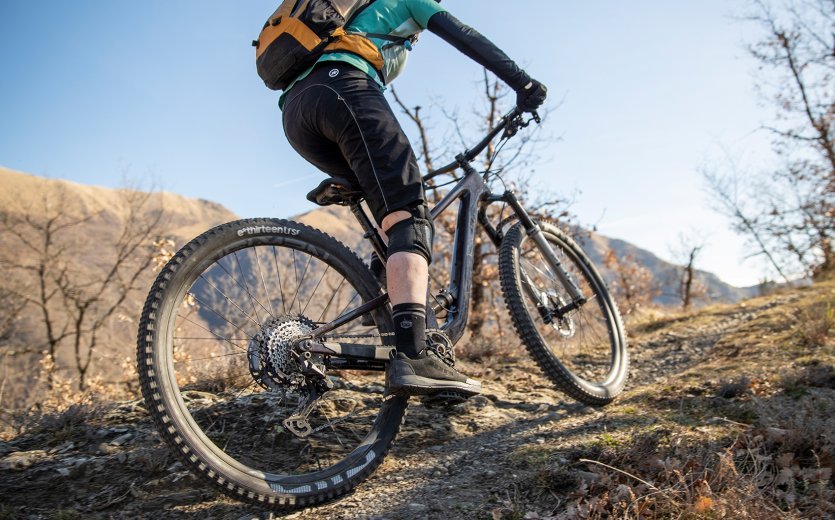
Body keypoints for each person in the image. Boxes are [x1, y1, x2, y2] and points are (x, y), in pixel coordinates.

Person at [280, 0, 547, 398]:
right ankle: (414, 353)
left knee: (388, 208)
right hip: (343, 88)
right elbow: (467, 37)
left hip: (297, 112)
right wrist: (524, 85)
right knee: (409, 218)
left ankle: (383, 301)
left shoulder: (355, 15)